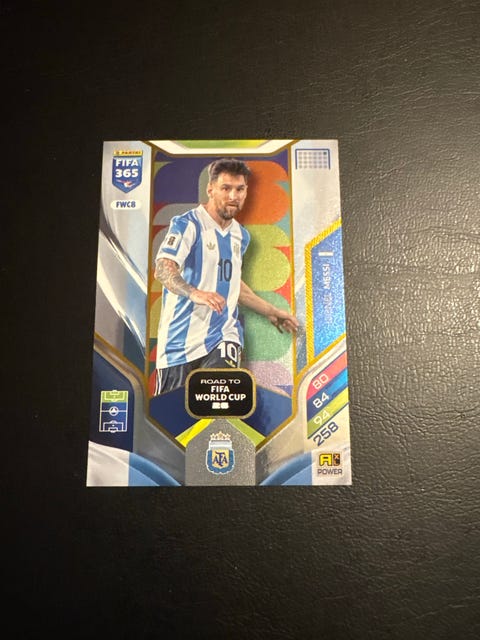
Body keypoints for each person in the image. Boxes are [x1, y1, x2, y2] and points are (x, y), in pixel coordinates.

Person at [153, 158, 299, 395]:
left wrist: (271, 311)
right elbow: (163, 268)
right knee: (174, 413)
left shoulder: (240, 235)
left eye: (240, 189)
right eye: (226, 188)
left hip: (222, 335)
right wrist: (195, 293)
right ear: (210, 189)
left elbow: (232, 284)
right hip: (178, 345)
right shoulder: (188, 224)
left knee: (219, 403)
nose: (233, 196)